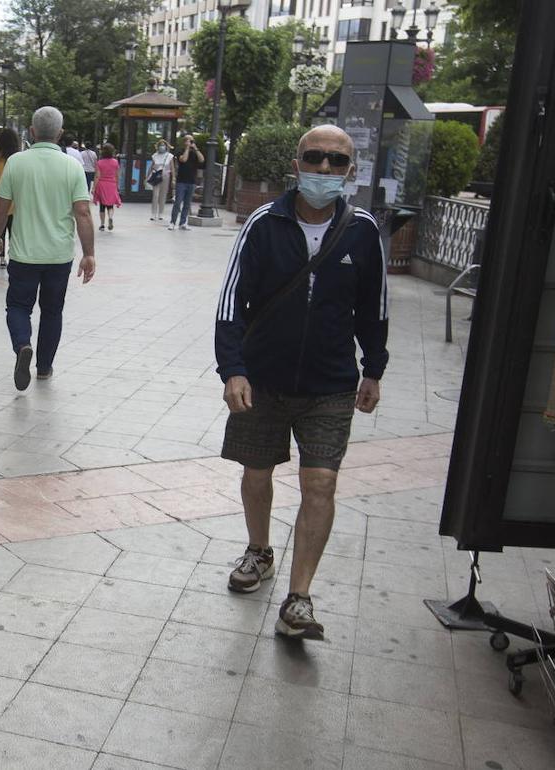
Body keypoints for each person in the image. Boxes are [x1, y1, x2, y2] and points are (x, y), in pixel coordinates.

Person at [214, 125, 388, 641]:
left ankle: (299, 598)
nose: (325, 170)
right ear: (298, 163)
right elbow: (230, 305)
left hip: (331, 383)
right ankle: (259, 550)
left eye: (338, 162)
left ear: (350, 171)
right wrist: (234, 370)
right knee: (257, 473)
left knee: (322, 483)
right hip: (263, 377)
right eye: (316, 158)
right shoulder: (264, 224)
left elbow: (373, 308)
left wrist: (374, 367)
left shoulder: (363, 230)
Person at [0, 106, 95, 390]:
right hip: (59, 256)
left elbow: (0, 207)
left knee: (18, 306)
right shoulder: (72, 165)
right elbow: (82, 212)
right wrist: (89, 253)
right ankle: (44, 368)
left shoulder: (16, 163)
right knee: (52, 311)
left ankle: (23, 344)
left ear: (32, 132)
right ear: (60, 134)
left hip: (24, 254)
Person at [0, 128, 21, 269]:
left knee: (0, 232)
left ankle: (1, 259)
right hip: (16, 205)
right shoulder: (19, 160)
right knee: (15, 234)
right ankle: (14, 257)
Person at [169, 134, 204, 231]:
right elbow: (183, 159)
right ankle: (172, 222)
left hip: (192, 182)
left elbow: (202, 159)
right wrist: (187, 148)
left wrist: (195, 148)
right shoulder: (180, 151)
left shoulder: (195, 152)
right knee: (178, 203)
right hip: (181, 181)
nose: (190, 142)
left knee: (187, 204)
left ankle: (183, 223)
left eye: (192, 141)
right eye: (188, 141)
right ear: (185, 142)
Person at [91, 143, 122, 232]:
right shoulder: (115, 162)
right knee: (110, 205)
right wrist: (117, 186)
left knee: (102, 206)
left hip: (102, 185)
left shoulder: (100, 162)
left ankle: (102, 224)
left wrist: (93, 188)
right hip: (112, 185)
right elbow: (117, 175)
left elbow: (97, 176)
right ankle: (111, 217)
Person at [149, 139, 172, 222]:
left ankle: (161, 213)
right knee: (155, 195)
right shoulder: (154, 155)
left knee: (163, 195)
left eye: (163, 145)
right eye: (160, 145)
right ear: (157, 146)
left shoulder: (170, 156)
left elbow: (172, 168)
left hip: (166, 176)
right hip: (156, 176)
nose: (162, 147)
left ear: (166, 146)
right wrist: (147, 176)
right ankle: (153, 213)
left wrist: (174, 179)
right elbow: (151, 166)